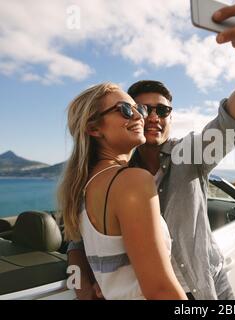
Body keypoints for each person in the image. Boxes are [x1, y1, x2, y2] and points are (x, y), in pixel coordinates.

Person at [67, 0, 235, 300]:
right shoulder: (110, 176)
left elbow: (230, 123)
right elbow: (78, 240)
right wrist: (85, 286)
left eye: (164, 110)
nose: (152, 116)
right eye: (140, 109)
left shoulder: (188, 155)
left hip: (202, 287)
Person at [58, 83, 187, 300]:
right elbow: (160, 291)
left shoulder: (85, 187)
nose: (139, 117)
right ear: (94, 128)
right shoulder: (132, 181)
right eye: (125, 109)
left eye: (139, 109)